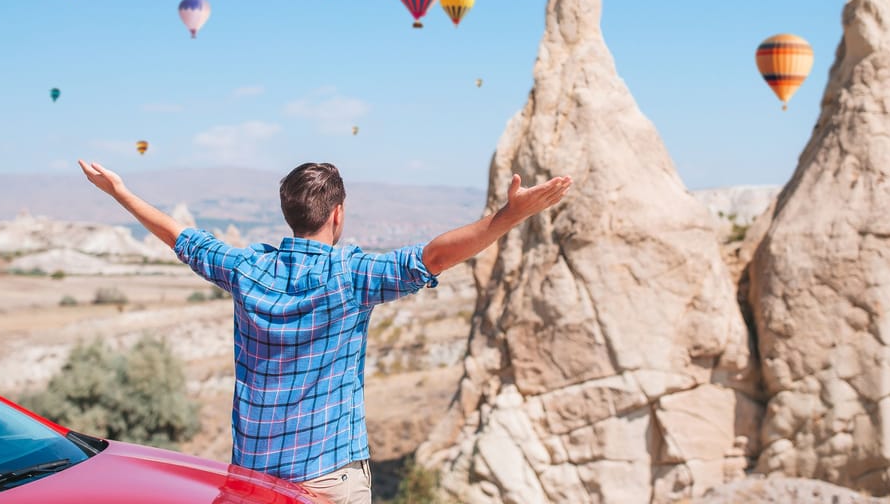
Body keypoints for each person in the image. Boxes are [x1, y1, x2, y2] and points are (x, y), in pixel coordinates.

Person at [78, 159, 571, 504]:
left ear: (289, 214)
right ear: (337, 214)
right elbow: (433, 257)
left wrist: (120, 192)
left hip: (252, 477)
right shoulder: (351, 277)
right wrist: (511, 215)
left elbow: (180, 237)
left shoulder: (246, 269)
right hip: (328, 479)